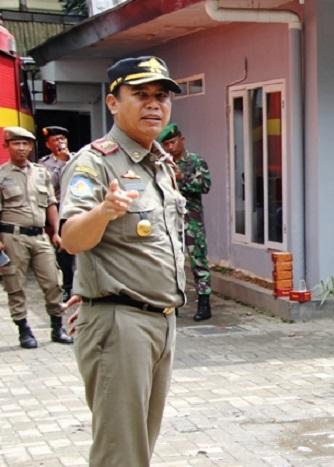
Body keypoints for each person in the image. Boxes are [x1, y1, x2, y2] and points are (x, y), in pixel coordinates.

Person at [59, 56, 185, 467]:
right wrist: (104, 212)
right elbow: (72, 238)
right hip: (120, 323)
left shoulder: (159, 164)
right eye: (141, 95)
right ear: (113, 103)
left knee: (139, 446)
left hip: (161, 320)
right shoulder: (94, 162)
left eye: (161, 96)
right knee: (120, 453)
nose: (154, 105)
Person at [0, 126, 72, 348]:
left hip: (40, 235)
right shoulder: (2, 175)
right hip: (12, 236)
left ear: (31, 146)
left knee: (53, 282)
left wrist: (57, 232)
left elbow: (51, 203)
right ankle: (24, 330)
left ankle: (57, 327)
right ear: (8, 146)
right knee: (15, 285)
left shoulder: (41, 172)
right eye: (16, 143)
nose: (21, 148)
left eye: (25, 144)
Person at [157, 123, 213, 321]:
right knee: (171, 260)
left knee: (198, 259)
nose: (170, 148)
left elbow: (205, 186)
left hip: (192, 218)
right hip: (169, 219)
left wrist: (182, 178)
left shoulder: (196, 161)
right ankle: (174, 302)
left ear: (182, 139)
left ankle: (204, 302)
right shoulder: (161, 163)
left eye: (172, 142)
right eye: (166, 145)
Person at [39, 125, 75, 301]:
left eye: (62, 139)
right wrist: (60, 162)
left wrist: (68, 160)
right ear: (48, 145)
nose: (60, 142)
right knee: (64, 252)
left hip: (78, 208)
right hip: (59, 211)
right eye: (55, 140)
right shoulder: (43, 164)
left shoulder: (78, 158)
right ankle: (68, 286)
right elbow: (48, 187)